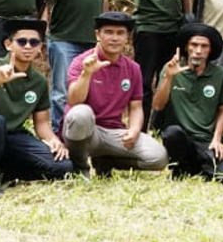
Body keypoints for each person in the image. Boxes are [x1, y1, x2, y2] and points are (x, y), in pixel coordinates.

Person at [0, 18, 72, 194]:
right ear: (8, 45)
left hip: (14, 137)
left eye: (34, 42)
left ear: (40, 48)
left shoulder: (38, 81)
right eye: (21, 41)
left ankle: (11, 171)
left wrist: (54, 140)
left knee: (63, 166)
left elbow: (42, 123)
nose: (28, 46)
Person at [64, 11, 168, 176]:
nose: (114, 38)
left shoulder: (133, 68)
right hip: (85, 132)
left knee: (157, 157)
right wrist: (87, 73)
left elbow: (135, 107)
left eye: (120, 33)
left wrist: (134, 130)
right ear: (98, 34)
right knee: (80, 114)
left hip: (113, 132)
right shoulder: (81, 62)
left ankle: (106, 162)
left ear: (127, 37)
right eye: (109, 32)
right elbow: (73, 101)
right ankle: (80, 167)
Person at [44, 0, 109, 134]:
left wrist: (105, 29)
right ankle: (58, 135)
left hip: (93, 40)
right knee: (62, 90)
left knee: (91, 89)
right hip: (64, 38)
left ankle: (84, 135)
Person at [122, 0, 189, 130]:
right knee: (143, 81)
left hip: (174, 29)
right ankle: (139, 128)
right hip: (148, 28)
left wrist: (188, 20)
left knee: (168, 78)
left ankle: (161, 126)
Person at [153, 23, 223, 182]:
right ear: (186, 47)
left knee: (222, 176)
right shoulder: (171, 69)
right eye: (194, 45)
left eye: (204, 46)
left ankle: (199, 165)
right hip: (181, 137)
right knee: (171, 133)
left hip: (206, 139)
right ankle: (181, 167)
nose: (198, 51)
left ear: (210, 50)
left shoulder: (220, 74)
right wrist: (168, 77)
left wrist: (217, 139)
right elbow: (157, 105)